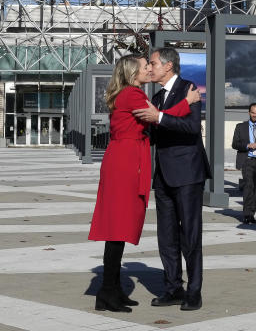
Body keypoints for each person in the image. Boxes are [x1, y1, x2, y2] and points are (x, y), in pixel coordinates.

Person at [88, 55, 198, 312]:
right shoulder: (133, 95)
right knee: (118, 230)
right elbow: (158, 117)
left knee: (119, 228)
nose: (149, 68)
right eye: (145, 66)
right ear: (132, 73)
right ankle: (108, 293)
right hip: (124, 164)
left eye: (151, 64)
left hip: (123, 160)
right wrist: (187, 102)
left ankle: (111, 290)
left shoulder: (127, 94)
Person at [132, 46, 210, 311]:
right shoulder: (156, 96)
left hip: (188, 174)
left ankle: (194, 291)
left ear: (168, 66)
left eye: (153, 63)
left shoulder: (189, 89)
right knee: (166, 237)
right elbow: (154, 132)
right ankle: (173, 288)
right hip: (163, 176)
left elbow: (191, 129)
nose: (150, 68)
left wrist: (159, 117)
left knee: (190, 235)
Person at [231, 103, 256, 224]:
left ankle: (252, 213)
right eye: (253, 112)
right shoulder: (240, 127)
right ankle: (247, 214)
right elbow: (234, 144)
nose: (255, 115)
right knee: (248, 186)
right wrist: (247, 145)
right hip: (247, 160)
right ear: (249, 112)